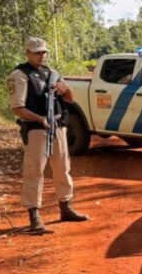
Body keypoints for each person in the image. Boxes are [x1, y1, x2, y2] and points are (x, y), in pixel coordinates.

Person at [6, 37, 89, 234]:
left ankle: (66, 208)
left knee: (62, 168)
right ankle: (34, 217)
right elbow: (17, 108)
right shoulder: (20, 75)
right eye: (37, 52)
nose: (42, 55)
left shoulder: (53, 73)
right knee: (34, 172)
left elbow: (71, 99)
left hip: (58, 125)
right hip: (36, 129)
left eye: (44, 52)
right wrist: (39, 119)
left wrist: (64, 88)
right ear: (27, 53)